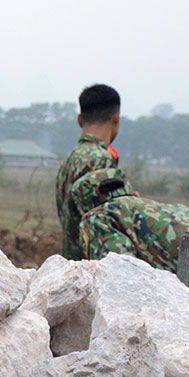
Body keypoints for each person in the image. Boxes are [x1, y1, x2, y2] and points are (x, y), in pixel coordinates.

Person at [73, 168, 189, 272]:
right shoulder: (171, 210)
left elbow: (119, 275)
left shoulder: (97, 217)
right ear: (135, 194)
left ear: (82, 210)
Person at [55, 84, 121, 260]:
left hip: (71, 267)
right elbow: (109, 228)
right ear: (116, 119)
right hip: (93, 271)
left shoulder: (69, 160)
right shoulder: (102, 160)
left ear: (79, 120)